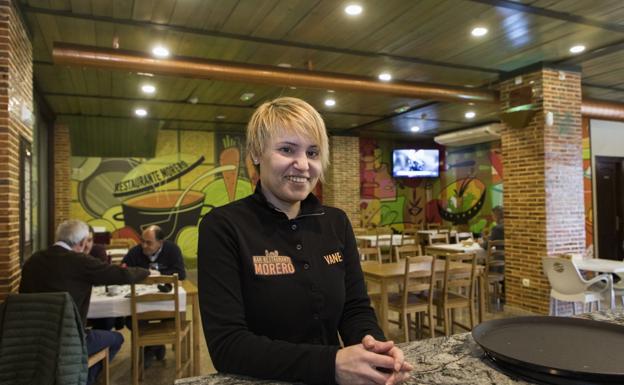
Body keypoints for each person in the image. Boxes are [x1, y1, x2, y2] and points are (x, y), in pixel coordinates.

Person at [198, 97, 412, 385]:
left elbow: (355, 308)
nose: (303, 165)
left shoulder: (336, 222)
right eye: (287, 149)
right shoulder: (223, 226)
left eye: (312, 152)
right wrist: (332, 363)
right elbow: (228, 345)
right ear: (257, 153)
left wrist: (375, 351)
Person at [19, 219, 150, 385]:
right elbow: (120, 275)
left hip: (32, 339)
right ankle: (85, 378)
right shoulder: (80, 262)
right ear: (82, 242)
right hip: (68, 340)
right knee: (117, 338)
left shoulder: (33, 260)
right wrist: (146, 271)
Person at [122, 225, 186, 364]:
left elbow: (181, 274)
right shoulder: (135, 252)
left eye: (148, 242)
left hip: (165, 302)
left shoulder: (172, 250)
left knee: (172, 318)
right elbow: (124, 269)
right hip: (140, 302)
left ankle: (151, 348)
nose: (144, 245)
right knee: (130, 320)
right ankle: (155, 346)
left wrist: (160, 275)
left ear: (160, 242)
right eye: (142, 241)